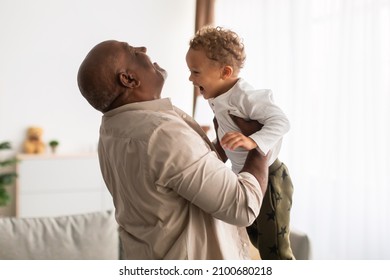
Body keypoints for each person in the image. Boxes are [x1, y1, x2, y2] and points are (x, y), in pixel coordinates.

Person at [77, 40, 270, 260]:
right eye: (132, 51)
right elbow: (243, 206)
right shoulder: (161, 133)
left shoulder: (111, 130)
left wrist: (221, 146)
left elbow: (180, 180)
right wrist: (260, 142)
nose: (143, 49)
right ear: (128, 79)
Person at [186, 26, 295, 260]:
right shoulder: (219, 98)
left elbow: (281, 121)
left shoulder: (245, 96)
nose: (190, 78)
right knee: (255, 237)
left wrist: (252, 140)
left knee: (275, 251)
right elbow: (228, 137)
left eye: (196, 72)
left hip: (272, 177)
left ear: (225, 72)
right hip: (246, 178)